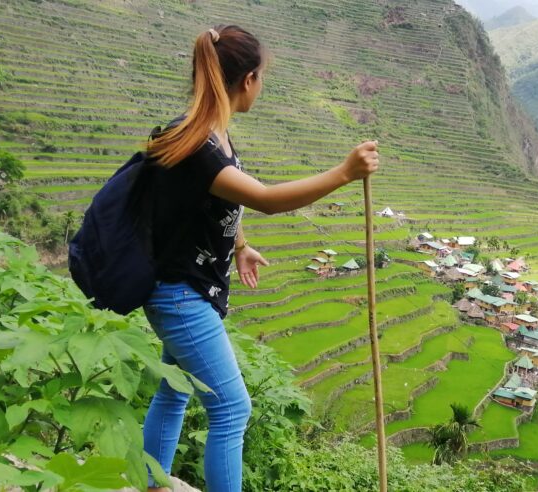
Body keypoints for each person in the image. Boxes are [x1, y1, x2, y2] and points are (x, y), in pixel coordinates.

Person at [141, 25, 379, 492]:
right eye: (261, 77)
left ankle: (151, 482)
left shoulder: (206, 136)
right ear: (248, 79)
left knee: (175, 388)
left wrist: (241, 246)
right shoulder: (198, 146)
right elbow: (265, 198)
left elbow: (215, 202)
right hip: (180, 295)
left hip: (185, 289)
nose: (262, 86)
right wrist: (345, 173)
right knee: (232, 407)